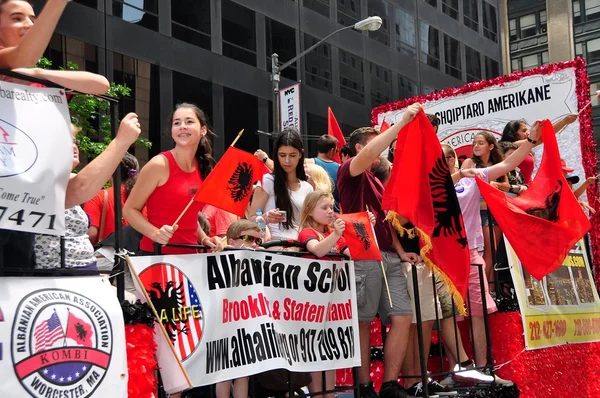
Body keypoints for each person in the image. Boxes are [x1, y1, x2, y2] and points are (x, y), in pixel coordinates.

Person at [449, 122, 545, 385]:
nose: (451, 161)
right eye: (444, 157)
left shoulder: (472, 179)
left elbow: (507, 164)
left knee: (478, 313)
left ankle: (482, 369)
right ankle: (453, 370)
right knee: (450, 318)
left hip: (470, 253)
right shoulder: (432, 185)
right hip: (443, 259)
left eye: (451, 157)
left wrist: (532, 142)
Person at [337, 103, 422, 398]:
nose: (381, 146)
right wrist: (399, 126)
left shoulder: (376, 179)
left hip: (387, 254)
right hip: (364, 251)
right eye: (375, 139)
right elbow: (370, 155)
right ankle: (363, 386)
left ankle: (388, 385)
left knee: (402, 316)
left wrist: (400, 251)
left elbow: (387, 221)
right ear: (360, 147)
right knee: (362, 320)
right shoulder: (350, 170)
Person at [34, 117, 141, 269]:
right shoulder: (41, 181)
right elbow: (81, 186)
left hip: (87, 269)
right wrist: (121, 141)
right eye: (65, 141)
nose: (74, 146)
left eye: (75, 141)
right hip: (55, 276)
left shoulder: (87, 188)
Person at [296, 191, 374, 397]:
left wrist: (366, 229)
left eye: (331, 207)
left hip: (334, 302)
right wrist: (336, 234)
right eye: (324, 207)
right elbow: (318, 250)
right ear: (310, 211)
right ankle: (317, 394)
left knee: (329, 351)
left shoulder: (334, 235)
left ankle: (329, 394)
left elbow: (355, 253)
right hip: (312, 303)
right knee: (314, 350)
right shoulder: (307, 232)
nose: (330, 211)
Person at [123, 103, 224, 254]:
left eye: (189, 121)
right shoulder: (159, 165)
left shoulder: (202, 166)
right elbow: (129, 210)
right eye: (177, 123)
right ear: (171, 131)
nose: (182, 126)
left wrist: (204, 239)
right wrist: (155, 234)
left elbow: (188, 214)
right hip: (157, 256)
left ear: (203, 130)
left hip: (191, 256)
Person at [248, 129, 313, 240]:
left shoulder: (307, 188)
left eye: (292, 155)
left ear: (300, 154)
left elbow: (310, 224)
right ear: (276, 155)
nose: (287, 161)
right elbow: (252, 219)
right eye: (282, 155)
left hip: (300, 247)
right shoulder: (267, 181)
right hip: (273, 247)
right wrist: (264, 218)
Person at [462, 131, 507, 287]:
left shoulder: (497, 164)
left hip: (496, 211)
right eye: (474, 143)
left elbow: (506, 185)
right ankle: (483, 291)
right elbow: (463, 186)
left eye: (480, 143)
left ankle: (492, 292)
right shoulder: (469, 163)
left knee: (493, 253)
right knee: (486, 252)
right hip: (478, 212)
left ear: (491, 146)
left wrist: (495, 184)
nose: (476, 146)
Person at [500, 115, 577, 185]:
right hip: (518, 192)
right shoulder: (514, 145)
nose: (527, 133)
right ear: (513, 133)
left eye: (527, 130)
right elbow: (542, 138)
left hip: (528, 191)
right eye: (524, 131)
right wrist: (564, 121)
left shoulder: (526, 147)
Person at [84, 153, 140, 245]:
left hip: (107, 254)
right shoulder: (142, 197)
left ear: (110, 171)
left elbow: (92, 234)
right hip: (137, 255)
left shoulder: (97, 197)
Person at [305, 135, 340, 210]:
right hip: (333, 211)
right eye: (336, 151)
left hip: (313, 211)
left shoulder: (306, 164)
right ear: (332, 150)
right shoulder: (340, 168)